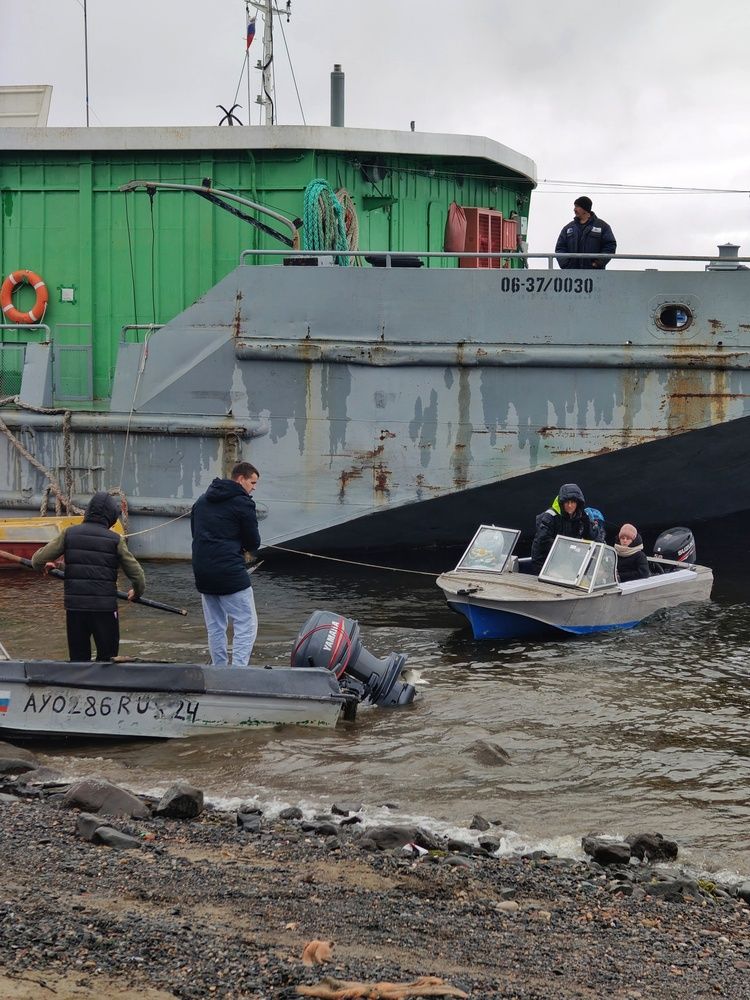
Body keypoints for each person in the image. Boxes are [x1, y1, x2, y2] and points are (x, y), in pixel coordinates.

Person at [30, 492, 146, 662]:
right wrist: (137, 592)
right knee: (108, 661)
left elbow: (37, 560)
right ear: (111, 517)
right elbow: (137, 576)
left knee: (78, 661)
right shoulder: (115, 540)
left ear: (88, 511)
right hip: (105, 610)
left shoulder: (70, 534)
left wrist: (47, 566)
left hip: (75, 609)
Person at [191, 461, 261, 666]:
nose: (254, 488)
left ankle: (219, 669)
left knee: (215, 626)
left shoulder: (202, 501)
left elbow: (195, 533)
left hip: (202, 571)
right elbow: (253, 542)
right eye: (252, 482)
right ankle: (238, 672)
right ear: (241, 479)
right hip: (229, 571)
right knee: (246, 624)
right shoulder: (243, 503)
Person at [530, 483, 597, 574]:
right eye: (567, 502)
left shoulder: (580, 515)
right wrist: (568, 549)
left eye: (573, 502)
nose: (570, 506)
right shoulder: (550, 516)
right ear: (562, 503)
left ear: (578, 503)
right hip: (545, 563)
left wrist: (589, 524)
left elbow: (591, 537)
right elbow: (543, 541)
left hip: (567, 561)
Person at [555, 196, 617, 270]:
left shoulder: (602, 226)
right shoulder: (568, 228)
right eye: (574, 206)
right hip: (571, 274)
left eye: (577, 207)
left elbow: (610, 245)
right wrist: (566, 264)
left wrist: (598, 263)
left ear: (585, 209)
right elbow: (560, 248)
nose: (574, 209)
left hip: (594, 274)